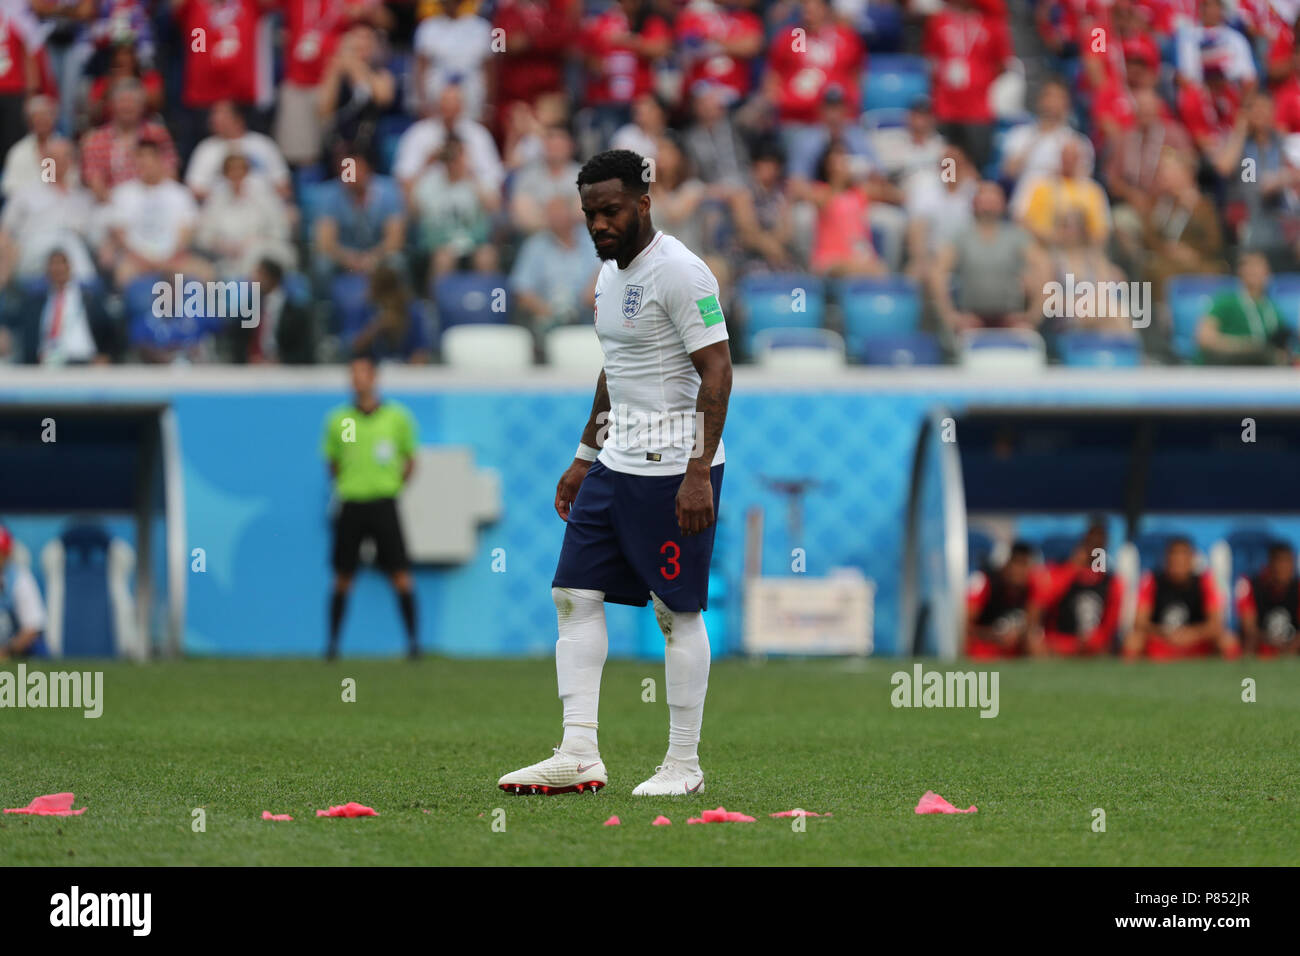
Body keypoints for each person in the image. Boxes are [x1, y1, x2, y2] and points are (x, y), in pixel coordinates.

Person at [498, 148, 733, 798]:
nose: (599, 224)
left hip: (674, 471)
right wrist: (582, 457)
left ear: (643, 203)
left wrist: (696, 473)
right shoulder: (606, 276)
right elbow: (616, 369)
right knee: (573, 596)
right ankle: (578, 752)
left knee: (674, 613)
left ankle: (684, 765)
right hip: (615, 461)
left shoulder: (682, 273)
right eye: (589, 213)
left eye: (611, 210)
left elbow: (718, 370)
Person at [321, 353, 420, 660]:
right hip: (351, 504)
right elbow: (333, 463)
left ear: (374, 378)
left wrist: (390, 486)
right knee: (343, 576)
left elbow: (409, 460)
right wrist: (351, 483)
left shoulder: (397, 418)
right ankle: (333, 647)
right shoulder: (338, 420)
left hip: (384, 504)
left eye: (364, 373)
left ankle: (414, 645)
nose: (358, 379)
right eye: (354, 374)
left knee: (400, 573)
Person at [1125, 537, 1240, 659]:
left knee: (1228, 640)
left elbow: (1215, 624)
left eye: (1183, 557)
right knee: (1133, 640)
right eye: (1174, 557)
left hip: (1197, 643)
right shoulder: (1152, 581)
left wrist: (1192, 634)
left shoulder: (1205, 582)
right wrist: (1165, 633)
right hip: (1162, 641)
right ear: (1166, 560)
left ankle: (1232, 676)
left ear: (1192, 559)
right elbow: (1139, 623)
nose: (1178, 562)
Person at [1027, 522, 1124, 656]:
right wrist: (1073, 568)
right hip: (1059, 641)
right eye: (1091, 543)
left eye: (1099, 545)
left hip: (1092, 646)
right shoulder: (1061, 573)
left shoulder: (1111, 582)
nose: (1094, 549)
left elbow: (1110, 623)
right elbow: (1042, 602)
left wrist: (1094, 640)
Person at [1196, 251, 1291, 365]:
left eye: (1258, 266)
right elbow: (1205, 338)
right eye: (1249, 267)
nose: (1253, 271)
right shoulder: (1226, 301)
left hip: (1262, 368)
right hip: (1229, 364)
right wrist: (1245, 346)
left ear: (1268, 273)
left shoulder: (1273, 309)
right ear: (1240, 272)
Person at [966, 541, 1035, 659]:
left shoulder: (1032, 588)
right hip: (985, 651)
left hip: (1015, 655)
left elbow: (1032, 625)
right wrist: (995, 636)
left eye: (1025, 564)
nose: (1020, 570)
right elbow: (964, 627)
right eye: (1017, 563)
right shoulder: (984, 583)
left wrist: (1020, 635)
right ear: (1004, 564)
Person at [1235, 541, 1300, 657]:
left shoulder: (1297, 588)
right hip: (1262, 644)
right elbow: (1249, 628)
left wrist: (1291, 646)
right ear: (1270, 564)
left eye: (1287, 562)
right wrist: (1273, 643)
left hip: (1292, 646)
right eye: (1279, 561)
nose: (1282, 567)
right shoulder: (1251, 586)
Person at [0, 525, 48, 660]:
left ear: (7, 555)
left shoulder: (19, 579)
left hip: (17, 654)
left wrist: (6, 652)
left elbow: (32, 628)